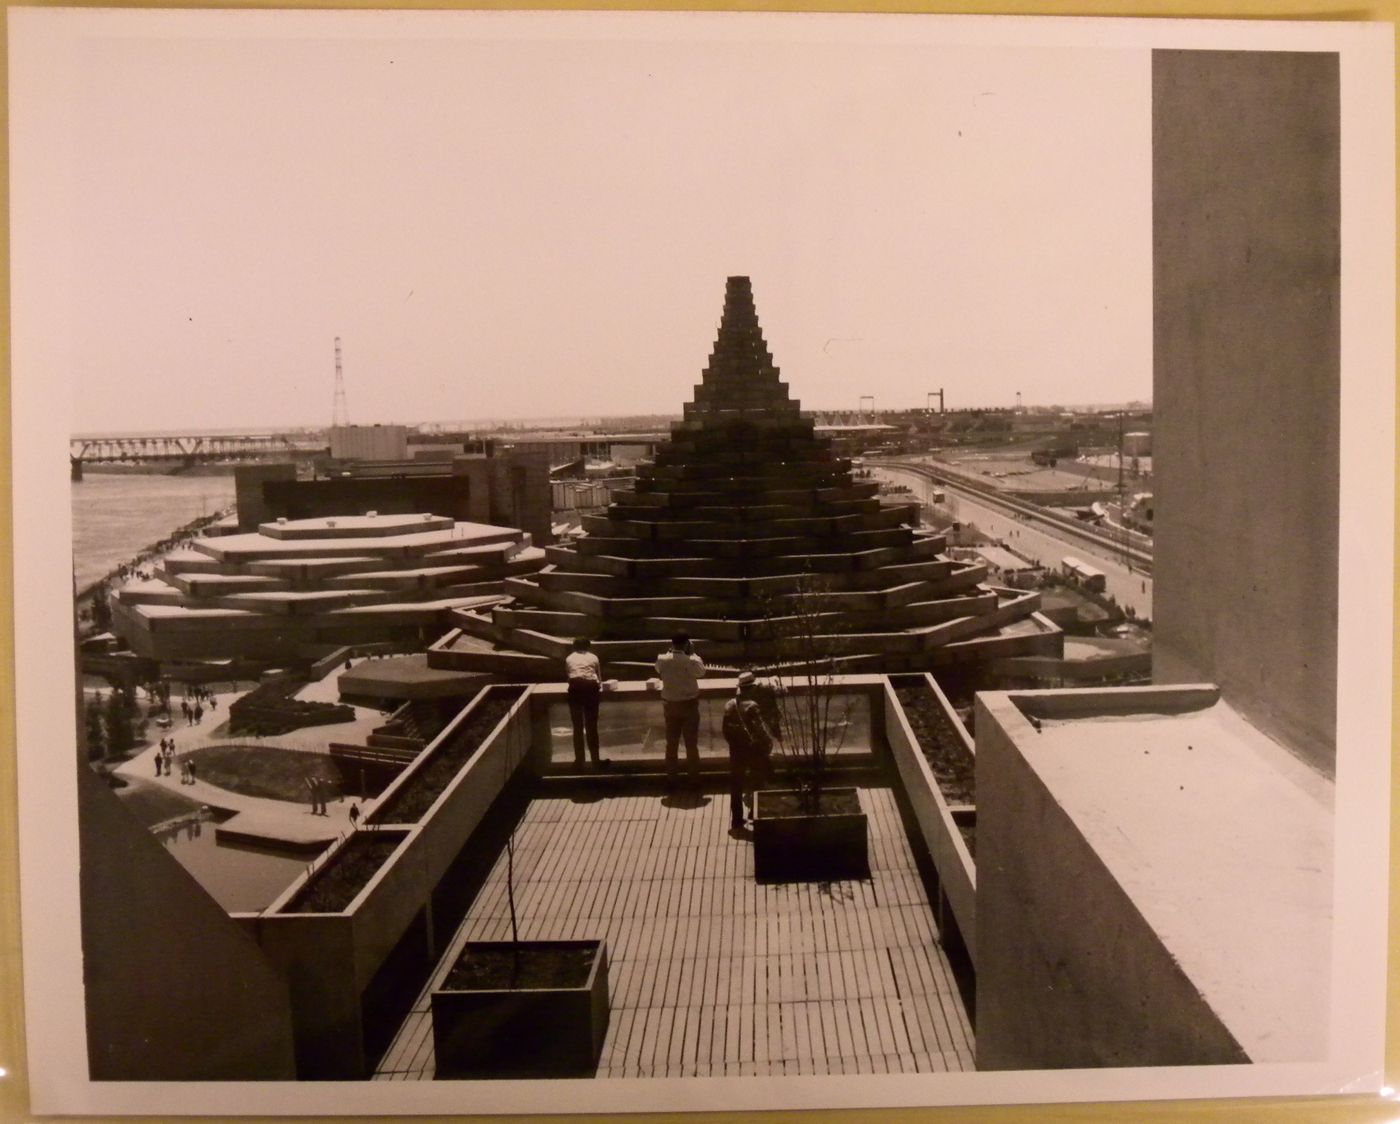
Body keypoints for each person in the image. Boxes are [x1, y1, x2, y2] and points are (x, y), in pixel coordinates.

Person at [722, 671, 774, 832]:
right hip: (753, 751)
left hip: (736, 751)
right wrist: (768, 745)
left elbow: (725, 731)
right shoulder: (753, 706)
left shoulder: (729, 705)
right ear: (751, 688)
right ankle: (754, 813)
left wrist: (734, 745)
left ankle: (737, 820)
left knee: (736, 786)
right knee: (757, 780)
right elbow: (760, 730)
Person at [656, 633, 704, 784]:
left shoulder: (662, 659)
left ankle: (671, 779)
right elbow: (701, 672)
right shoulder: (691, 660)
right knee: (691, 745)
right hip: (689, 705)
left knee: (671, 745)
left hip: (670, 706)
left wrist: (670, 652)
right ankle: (694, 779)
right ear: (686, 644)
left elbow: (658, 669)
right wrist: (693, 653)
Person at [564, 637, 607, 767]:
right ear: (588, 647)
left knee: (577, 727)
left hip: (575, 687)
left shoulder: (569, 658)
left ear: (574, 646)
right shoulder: (593, 657)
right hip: (590, 687)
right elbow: (599, 680)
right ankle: (596, 760)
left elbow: (568, 676)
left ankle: (579, 761)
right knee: (591, 726)